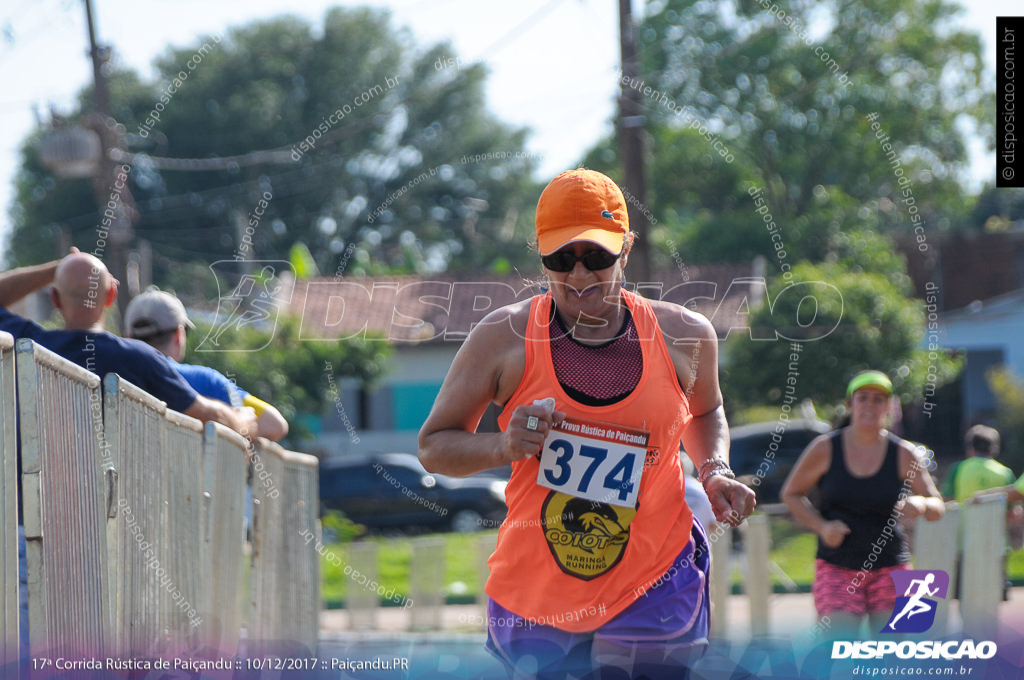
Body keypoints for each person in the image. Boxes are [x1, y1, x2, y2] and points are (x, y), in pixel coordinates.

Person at [418, 168, 755, 679]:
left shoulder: (685, 335)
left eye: (596, 257)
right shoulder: (503, 337)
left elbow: (705, 410)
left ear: (626, 248)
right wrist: (503, 446)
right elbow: (435, 446)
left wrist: (714, 468)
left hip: (656, 579)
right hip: (539, 593)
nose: (578, 276)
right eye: (560, 259)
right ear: (540, 254)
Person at [0, 251, 256, 436]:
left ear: (55, 298)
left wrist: (57, 268)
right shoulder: (139, 358)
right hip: (118, 507)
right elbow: (208, 414)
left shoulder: (30, 345)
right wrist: (242, 419)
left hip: (37, 504)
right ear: (111, 295)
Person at [781, 370, 945, 638]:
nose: (870, 405)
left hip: (891, 565)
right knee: (838, 650)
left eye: (879, 399)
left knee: (890, 654)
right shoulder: (824, 448)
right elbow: (791, 493)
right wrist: (822, 527)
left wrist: (922, 504)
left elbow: (937, 506)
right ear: (850, 404)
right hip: (837, 566)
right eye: (863, 398)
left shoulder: (904, 453)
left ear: (889, 407)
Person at [124, 288, 289, 441]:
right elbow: (275, 425)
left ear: (128, 337)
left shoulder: (116, 371)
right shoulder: (204, 380)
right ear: (179, 335)